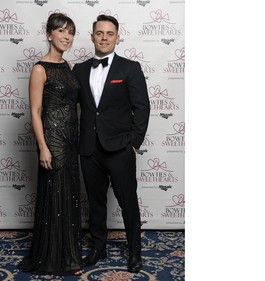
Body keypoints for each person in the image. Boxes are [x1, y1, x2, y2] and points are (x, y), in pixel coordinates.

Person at [72, 15, 150, 273]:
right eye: (100, 33)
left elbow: (142, 108)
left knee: (128, 201)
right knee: (95, 203)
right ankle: (98, 248)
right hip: (89, 149)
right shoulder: (79, 70)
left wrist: (134, 144)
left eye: (109, 33)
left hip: (120, 148)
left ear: (117, 37)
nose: (104, 37)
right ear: (92, 36)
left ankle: (135, 252)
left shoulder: (130, 68)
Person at [17, 13, 83, 276]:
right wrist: (43, 146)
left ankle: (68, 255)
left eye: (70, 32)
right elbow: (35, 111)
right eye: (61, 31)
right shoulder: (39, 69)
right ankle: (53, 258)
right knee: (55, 197)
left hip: (71, 139)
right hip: (52, 140)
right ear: (49, 34)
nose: (66, 36)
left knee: (69, 196)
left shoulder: (69, 66)